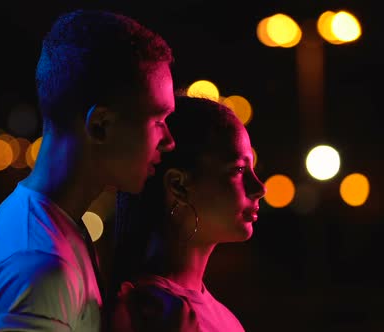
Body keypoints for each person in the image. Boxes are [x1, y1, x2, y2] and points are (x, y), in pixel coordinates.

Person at [0, 9, 176, 332]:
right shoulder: (40, 265)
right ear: (100, 126)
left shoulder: (51, 225)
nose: (168, 141)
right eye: (158, 120)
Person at [105, 95, 267, 332]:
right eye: (239, 169)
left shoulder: (222, 317)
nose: (260, 188)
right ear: (178, 186)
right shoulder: (144, 314)